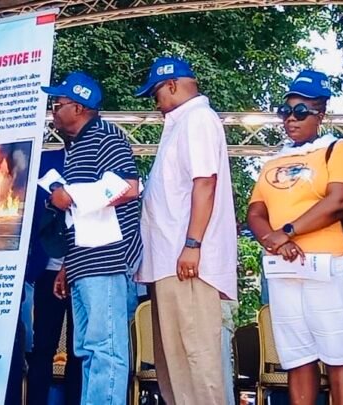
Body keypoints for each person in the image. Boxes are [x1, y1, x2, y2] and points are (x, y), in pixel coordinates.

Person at [247, 70, 343, 405]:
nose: (290, 118)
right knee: (297, 356)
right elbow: (255, 212)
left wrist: (288, 232)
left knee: (340, 353)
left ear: (321, 114)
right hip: (284, 268)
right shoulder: (274, 160)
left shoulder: (337, 149)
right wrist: (274, 241)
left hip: (330, 265)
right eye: (285, 111)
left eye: (301, 111)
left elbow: (342, 200)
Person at [133, 57, 238, 405]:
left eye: (156, 94)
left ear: (172, 85)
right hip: (169, 262)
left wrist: (192, 244)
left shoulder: (197, 119)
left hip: (186, 263)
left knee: (197, 362)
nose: (155, 104)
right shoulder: (181, 123)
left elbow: (205, 183)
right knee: (174, 366)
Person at [42, 72, 141, 405]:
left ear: (79, 107)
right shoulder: (77, 147)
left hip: (107, 260)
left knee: (105, 349)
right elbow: (82, 218)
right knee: (87, 350)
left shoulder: (106, 137)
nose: (53, 112)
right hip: (84, 262)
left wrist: (70, 195)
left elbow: (128, 187)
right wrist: (67, 265)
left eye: (57, 105)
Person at [25, 148, 82, 405]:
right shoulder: (44, 160)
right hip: (46, 268)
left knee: (78, 350)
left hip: (82, 269)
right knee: (43, 347)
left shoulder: (94, 158)